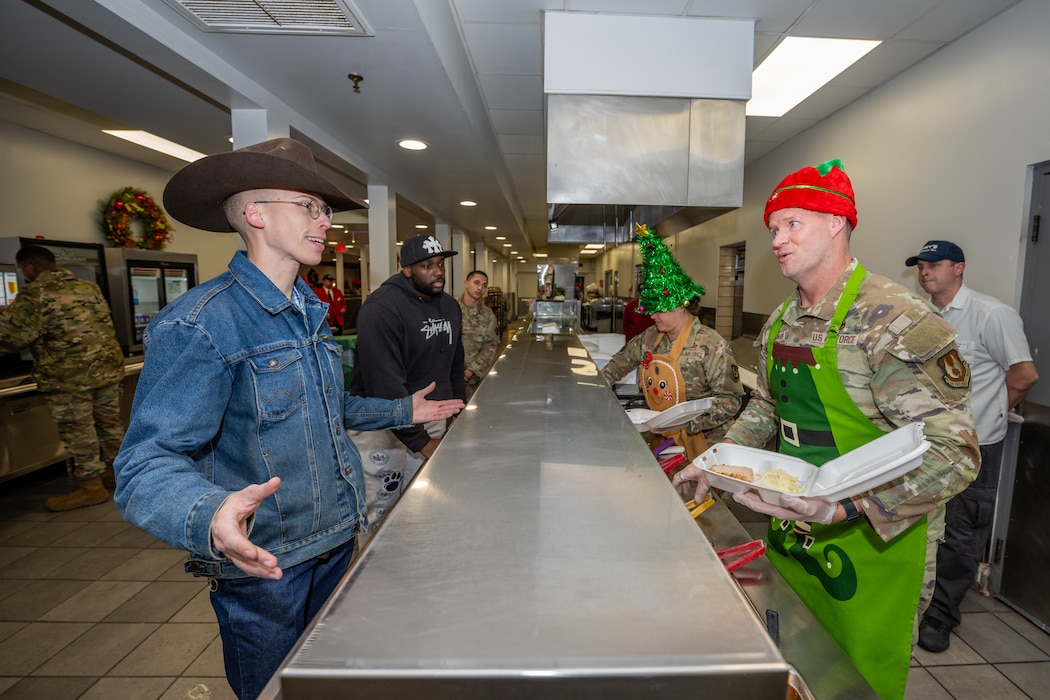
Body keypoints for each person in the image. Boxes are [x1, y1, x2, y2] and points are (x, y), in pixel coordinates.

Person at [112, 138, 464, 700]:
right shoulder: (202, 324)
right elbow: (143, 464)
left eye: (324, 209)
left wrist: (402, 408)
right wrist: (210, 513)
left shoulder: (307, 313)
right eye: (309, 206)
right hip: (267, 568)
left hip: (334, 543)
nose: (324, 221)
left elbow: (325, 405)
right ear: (254, 213)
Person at [672, 160, 979, 700]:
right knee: (801, 668)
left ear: (837, 223)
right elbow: (767, 406)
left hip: (878, 540)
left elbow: (954, 452)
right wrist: (715, 459)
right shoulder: (783, 321)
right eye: (773, 229)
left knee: (859, 682)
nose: (777, 240)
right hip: (797, 528)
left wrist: (846, 508)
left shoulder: (894, 318)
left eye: (793, 224)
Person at [905, 239, 1038, 653]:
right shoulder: (923, 314)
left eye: (935, 265)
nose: (926, 272)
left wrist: (991, 415)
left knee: (962, 533)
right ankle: (918, 599)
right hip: (928, 442)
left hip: (973, 447)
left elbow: (1023, 374)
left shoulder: (991, 314)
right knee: (922, 524)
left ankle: (942, 615)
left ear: (959, 268)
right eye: (921, 266)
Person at [349, 234, 466, 543]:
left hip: (433, 418)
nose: (438, 272)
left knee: (425, 510)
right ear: (407, 269)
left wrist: (458, 416)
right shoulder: (381, 309)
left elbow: (455, 364)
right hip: (383, 425)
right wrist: (423, 443)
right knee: (380, 514)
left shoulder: (451, 307)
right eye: (427, 265)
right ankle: (371, 584)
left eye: (440, 264)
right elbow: (384, 385)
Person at [601, 225, 745, 461]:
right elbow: (618, 365)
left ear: (681, 305)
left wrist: (688, 422)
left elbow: (730, 401)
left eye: (659, 310)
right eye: (651, 310)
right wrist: (599, 387)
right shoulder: (650, 337)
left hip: (705, 446)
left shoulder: (710, 344)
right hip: (663, 438)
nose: (653, 316)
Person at [0, 245, 125, 511]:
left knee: (79, 431)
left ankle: (91, 487)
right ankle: (120, 475)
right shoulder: (88, 288)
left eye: (22, 269)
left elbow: (13, 338)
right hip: (106, 370)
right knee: (110, 426)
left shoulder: (35, 294)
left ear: (30, 267)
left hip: (69, 377)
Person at [457, 270, 500, 400]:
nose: (480, 288)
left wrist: (470, 371)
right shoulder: (450, 308)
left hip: (472, 380)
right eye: (476, 283)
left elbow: (490, 347)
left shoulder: (488, 315)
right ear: (466, 283)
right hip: (445, 377)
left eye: (484, 285)